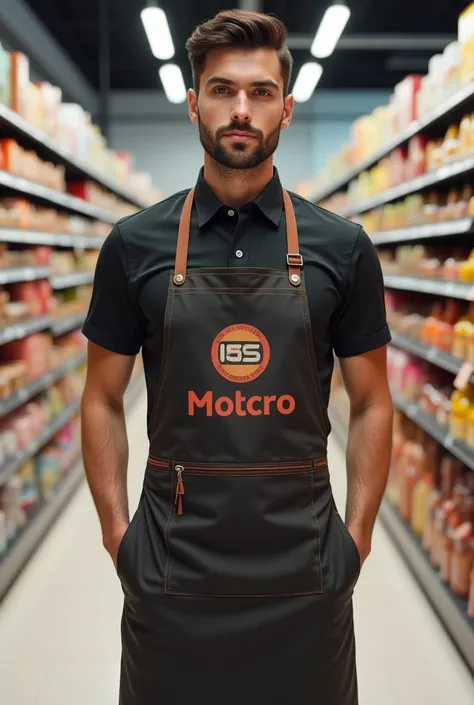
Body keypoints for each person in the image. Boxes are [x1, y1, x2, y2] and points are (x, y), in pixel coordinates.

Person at [81, 9, 393, 705]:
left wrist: (358, 540)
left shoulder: (343, 246)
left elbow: (373, 404)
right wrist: (116, 535)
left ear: (287, 104)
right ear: (194, 103)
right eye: (222, 90)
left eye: (260, 91)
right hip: (172, 573)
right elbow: (101, 397)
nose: (241, 109)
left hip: (305, 574)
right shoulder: (134, 244)